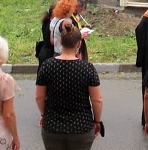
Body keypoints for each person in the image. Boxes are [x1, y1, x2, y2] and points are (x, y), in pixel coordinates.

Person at [36, 22, 103, 150]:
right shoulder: (87, 68)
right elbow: (97, 100)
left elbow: (39, 97)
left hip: (52, 126)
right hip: (81, 127)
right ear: (79, 44)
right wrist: (97, 121)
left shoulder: (47, 65)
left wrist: (44, 115)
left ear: (60, 41)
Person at [37, 2, 56, 72]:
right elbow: (52, 41)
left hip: (44, 51)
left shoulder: (47, 21)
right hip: (49, 54)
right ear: (53, 11)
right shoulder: (52, 24)